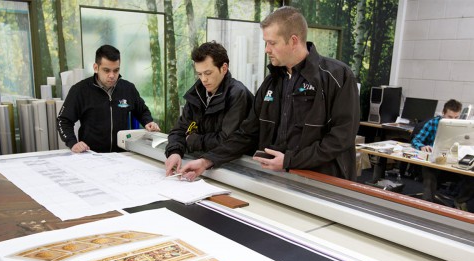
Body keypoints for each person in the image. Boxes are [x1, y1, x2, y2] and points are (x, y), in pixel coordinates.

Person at [180, 6, 360, 181]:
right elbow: (247, 134)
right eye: (266, 43)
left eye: (272, 43)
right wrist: (207, 161)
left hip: (325, 184)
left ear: (293, 41)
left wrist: (290, 160)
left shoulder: (338, 76)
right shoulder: (271, 82)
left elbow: (340, 139)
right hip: (276, 180)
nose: (267, 49)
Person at [164, 41, 253, 175]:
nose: (203, 79)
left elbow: (228, 140)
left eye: (208, 73)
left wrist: (193, 141)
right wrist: (174, 152)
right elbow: (179, 130)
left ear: (224, 68)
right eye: (199, 74)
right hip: (203, 166)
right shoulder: (197, 93)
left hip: (235, 169)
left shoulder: (237, 94)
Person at [57, 44, 160, 153]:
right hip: (91, 156)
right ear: (96, 68)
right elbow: (63, 120)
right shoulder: (80, 90)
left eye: (116, 70)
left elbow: (142, 111)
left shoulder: (128, 88)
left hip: (122, 156)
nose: (112, 75)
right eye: (106, 70)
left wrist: (148, 122)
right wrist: (72, 143)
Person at [411, 99, 473, 210]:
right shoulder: (433, 123)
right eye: (450, 117)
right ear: (443, 113)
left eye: (456, 117)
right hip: (436, 160)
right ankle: (427, 205)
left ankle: (459, 201)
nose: (453, 120)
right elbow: (416, 140)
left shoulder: (463, 126)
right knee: (429, 172)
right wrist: (422, 146)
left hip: (454, 161)